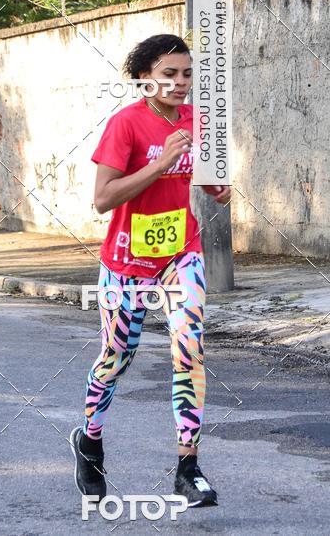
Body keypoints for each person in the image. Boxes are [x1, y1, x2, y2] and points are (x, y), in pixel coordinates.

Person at [70, 34, 231, 508]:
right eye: (169, 74)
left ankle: (188, 468)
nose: (180, 83)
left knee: (190, 350)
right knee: (117, 356)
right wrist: (161, 163)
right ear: (145, 79)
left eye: (187, 74)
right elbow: (103, 199)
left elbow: (201, 176)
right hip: (127, 259)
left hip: (181, 251)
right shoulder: (125, 124)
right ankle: (90, 442)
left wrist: (217, 187)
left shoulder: (196, 119)